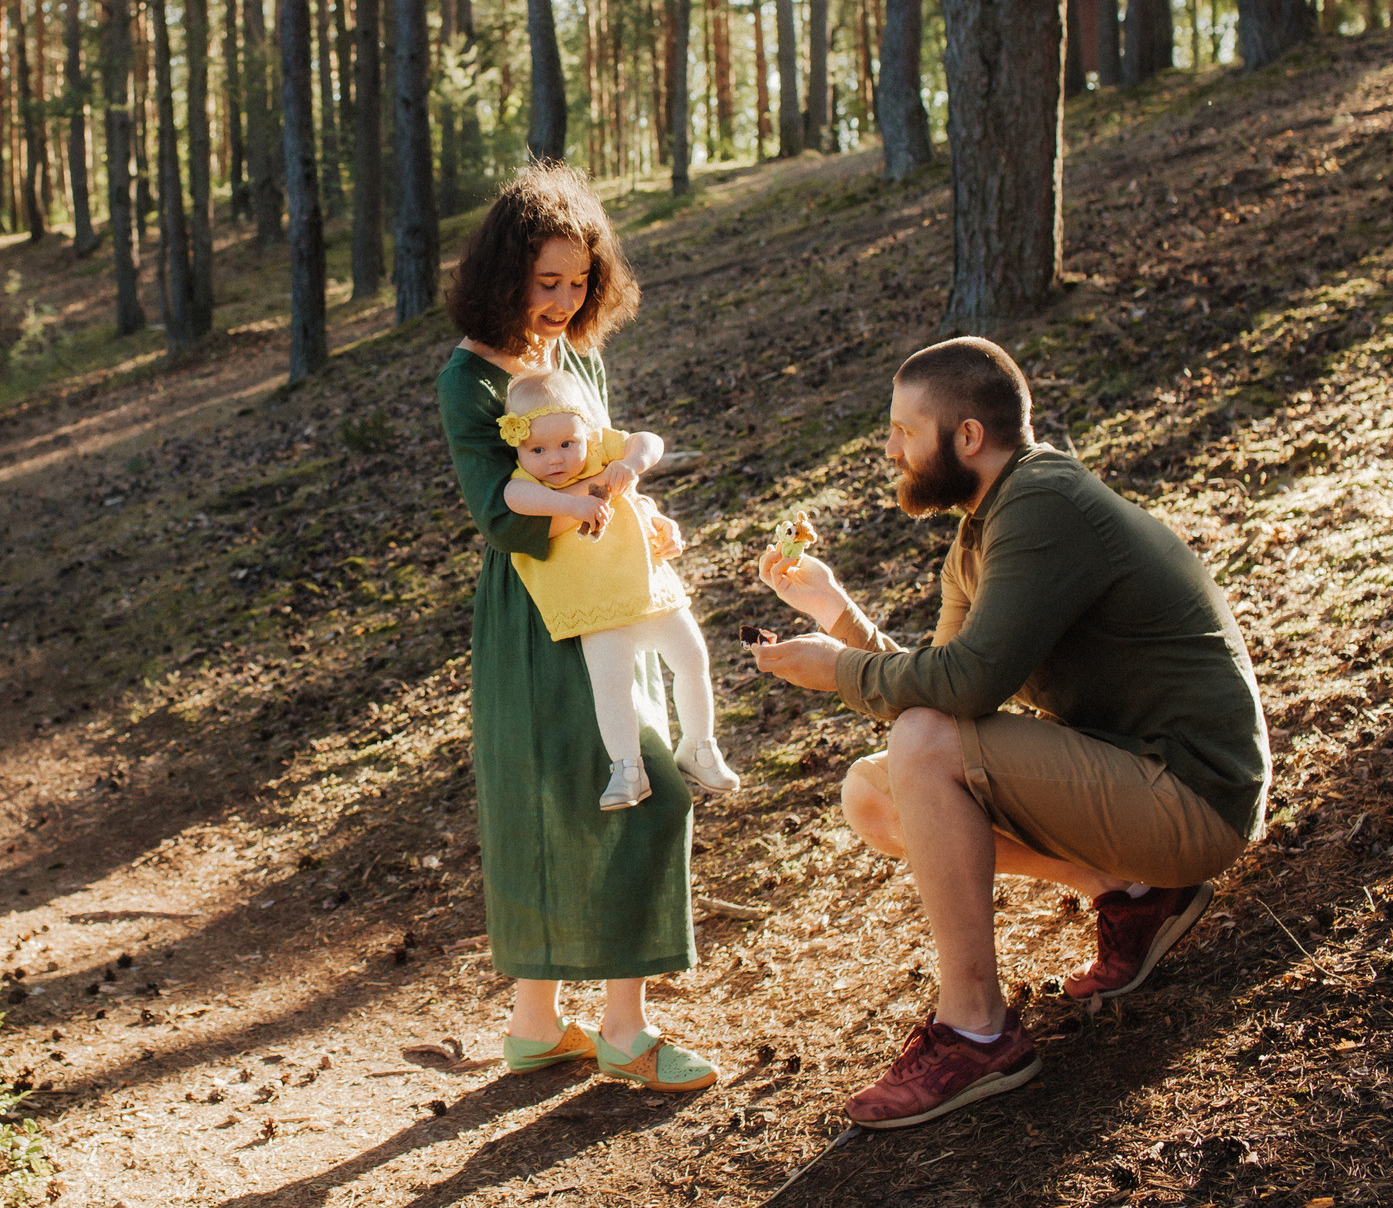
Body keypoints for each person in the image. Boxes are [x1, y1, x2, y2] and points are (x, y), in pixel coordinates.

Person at [750, 336, 1269, 1130]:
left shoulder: (1042, 503)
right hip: (1138, 779)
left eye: (902, 431)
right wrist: (833, 613)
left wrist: (836, 670)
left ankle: (976, 1028)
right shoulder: (979, 536)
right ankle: (1131, 895)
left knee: (919, 746)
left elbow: (961, 691)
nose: (889, 449)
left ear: (966, 437)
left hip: (1195, 792)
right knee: (875, 791)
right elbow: (944, 686)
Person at [436, 162, 719, 1094]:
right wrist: (594, 498)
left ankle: (575, 1023)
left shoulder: (584, 358)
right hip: (529, 611)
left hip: (613, 601)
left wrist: (646, 516)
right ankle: (583, 1030)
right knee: (550, 795)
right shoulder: (470, 380)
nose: (562, 301)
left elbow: (607, 469)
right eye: (544, 281)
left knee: (640, 786)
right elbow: (499, 511)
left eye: (578, 281)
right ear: (504, 271)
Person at [497, 366, 740, 811]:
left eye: (567, 443)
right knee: (611, 685)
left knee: (692, 658)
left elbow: (649, 440)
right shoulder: (529, 484)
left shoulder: (600, 454)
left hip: (649, 587)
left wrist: (629, 464)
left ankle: (700, 745)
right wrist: (572, 504)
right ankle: (628, 768)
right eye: (537, 449)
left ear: (586, 432)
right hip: (596, 608)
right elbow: (514, 500)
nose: (555, 459)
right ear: (517, 445)